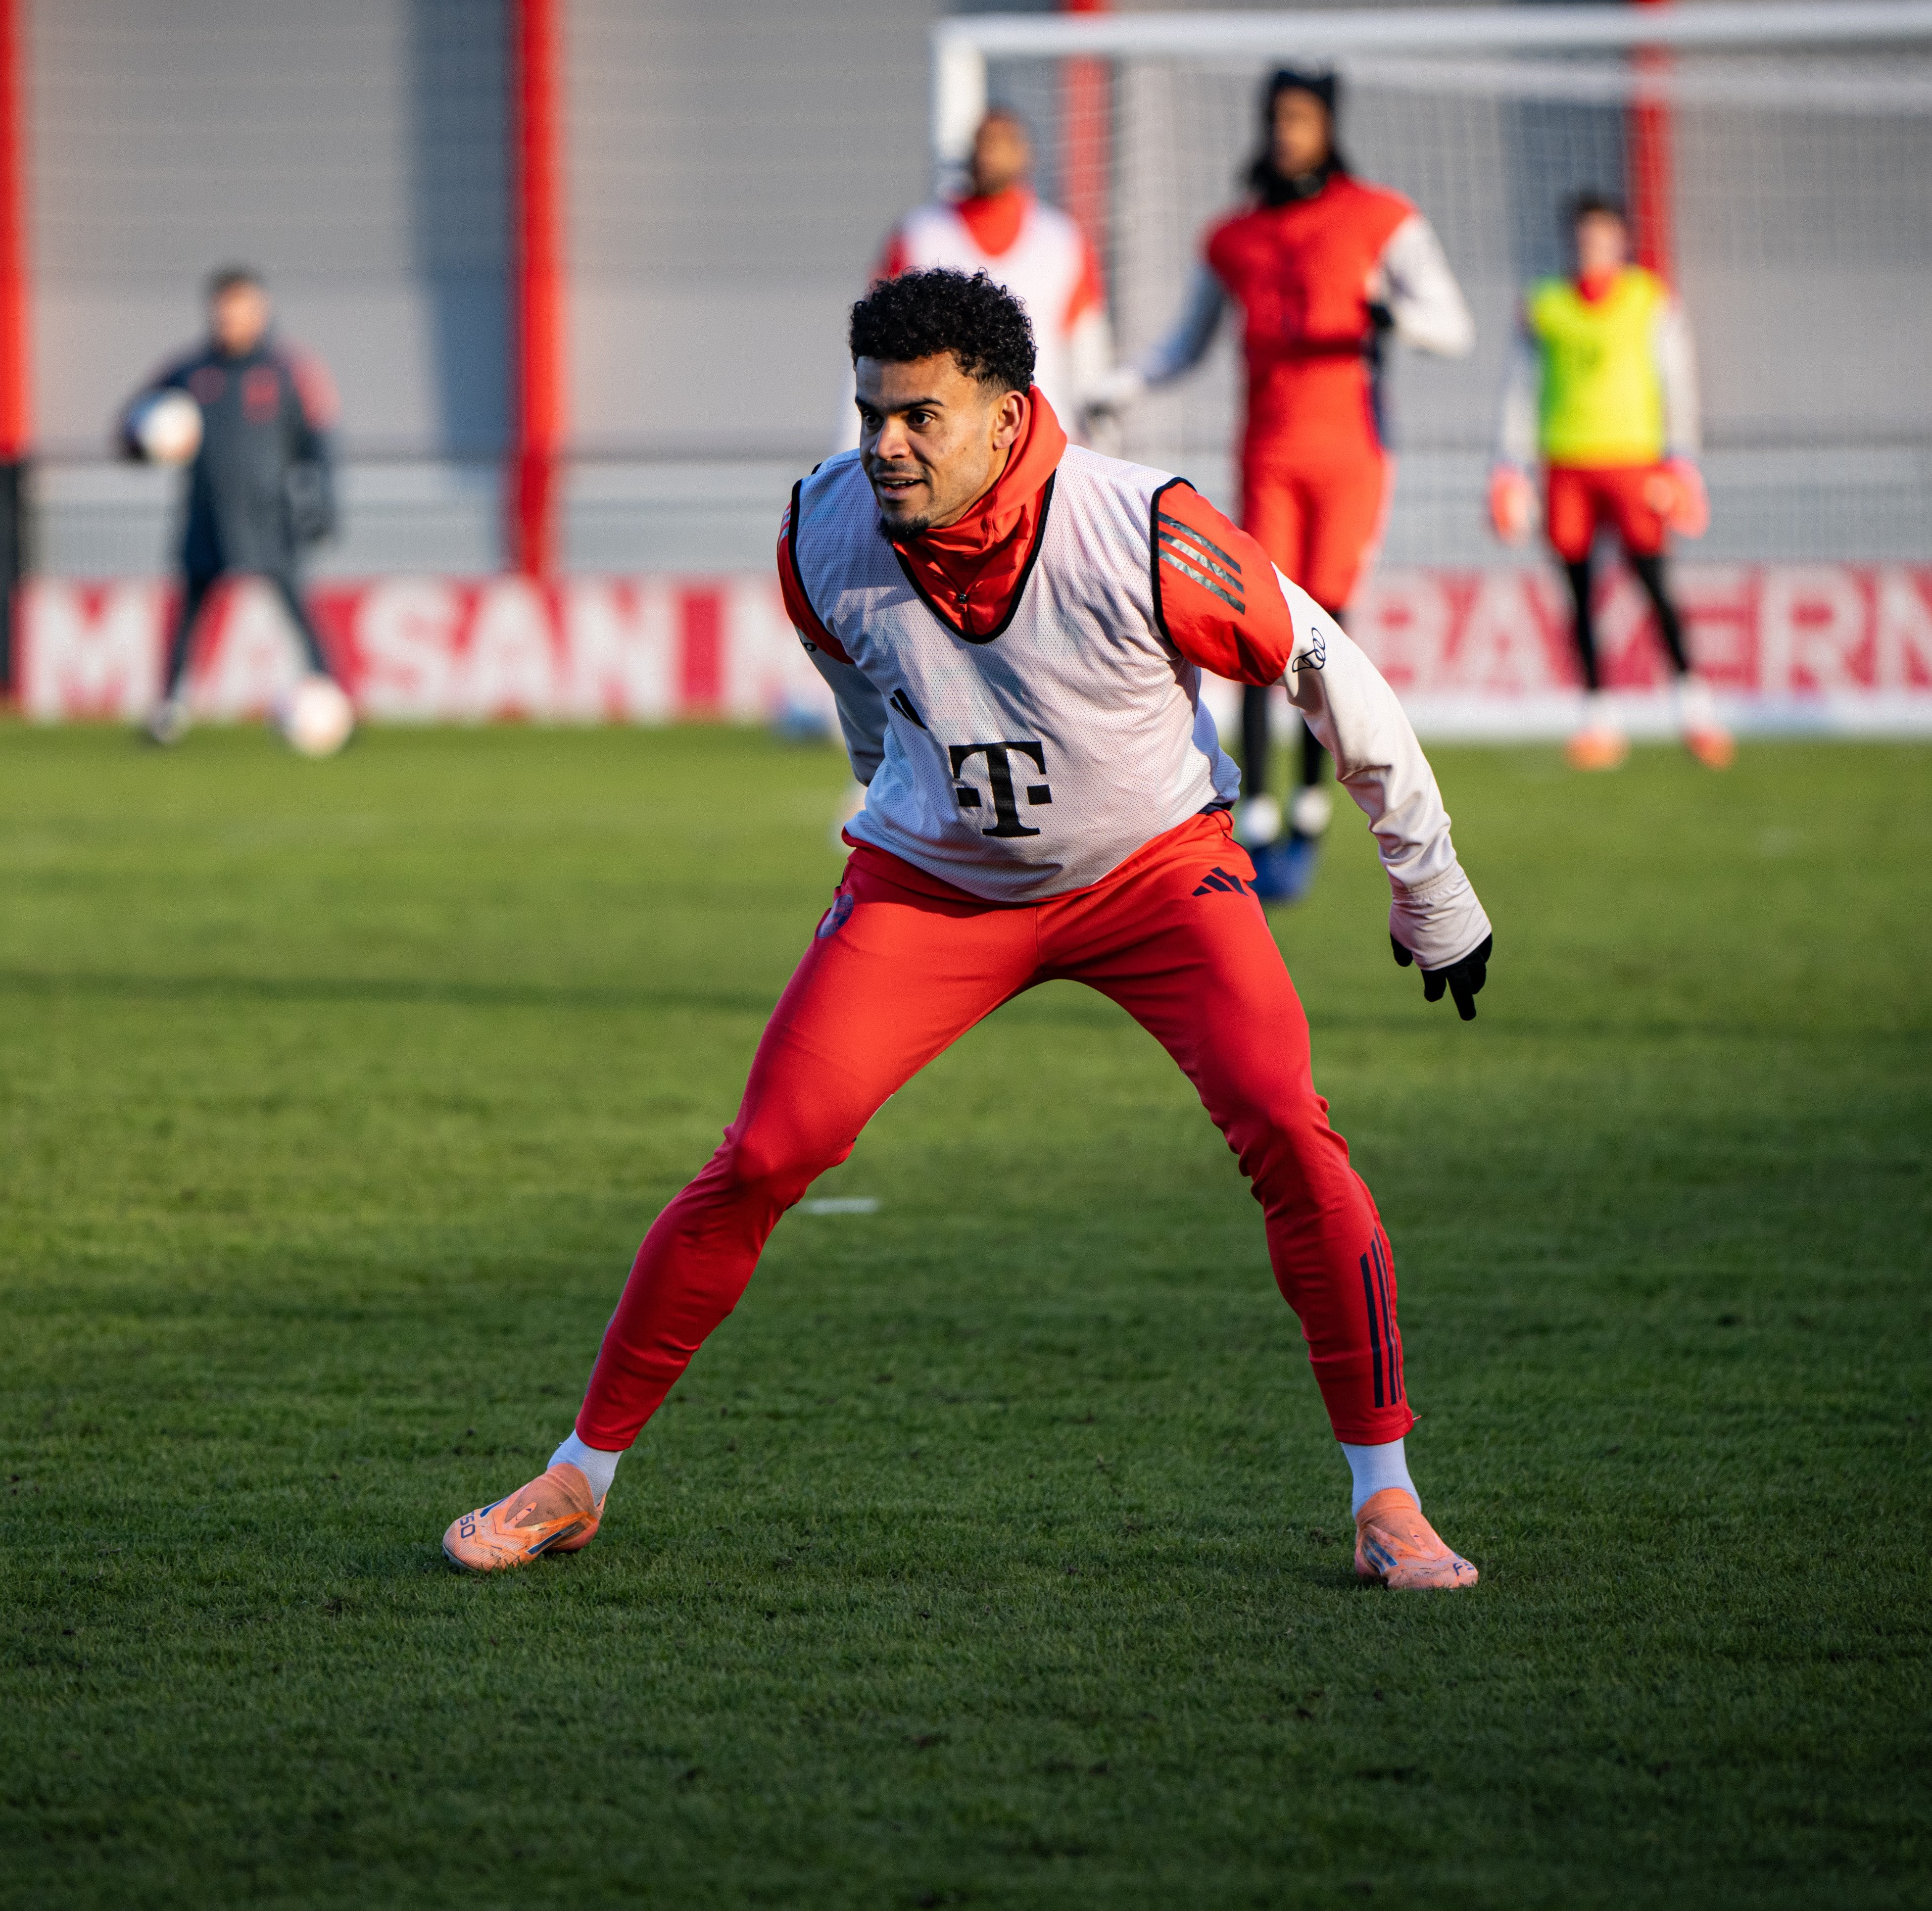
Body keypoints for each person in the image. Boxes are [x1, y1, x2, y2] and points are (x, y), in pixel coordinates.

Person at [444, 270, 1493, 1591]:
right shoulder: (821, 523)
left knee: (1287, 1124)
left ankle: (1386, 1497)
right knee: (766, 1153)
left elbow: (1327, 666)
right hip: (933, 887)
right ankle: (578, 1475)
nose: (885, 445)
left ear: (1006, 418)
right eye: (871, 414)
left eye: (919, 418)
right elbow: (858, 687)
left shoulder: (1143, 524)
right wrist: (897, 790)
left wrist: (1431, 887)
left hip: (1155, 876)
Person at [1098, 68, 1474, 898]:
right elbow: (1186, 344)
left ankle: (1308, 805)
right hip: (1267, 454)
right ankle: (1261, 811)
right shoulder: (1235, 236)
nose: (1286, 133)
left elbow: (1454, 326)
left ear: (1328, 126)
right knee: (1261, 623)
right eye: (1277, 118)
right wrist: (1123, 384)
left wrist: (1390, 315)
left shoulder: (1381, 218)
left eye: (1301, 118)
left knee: (1325, 626)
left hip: (1352, 455)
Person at [1487, 191, 1733, 771]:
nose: (1591, 248)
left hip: (1634, 462)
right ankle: (1598, 718)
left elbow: (1677, 381)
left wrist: (1681, 460)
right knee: (1577, 593)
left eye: (1601, 237)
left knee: (1653, 582)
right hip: (1566, 463)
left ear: (1622, 241)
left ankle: (1694, 707)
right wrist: (1508, 465)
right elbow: (1519, 387)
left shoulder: (1650, 300)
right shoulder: (1545, 305)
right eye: (1583, 237)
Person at [123, 267, 340, 746]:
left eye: (241, 311)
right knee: (189, 616)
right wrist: (143, 441)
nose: (231, 321)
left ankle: (332, 703)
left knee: (299, 613)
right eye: (224, 312)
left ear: (260, 312)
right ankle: (169, 711)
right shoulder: (189, 372)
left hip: (271, 517)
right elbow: (132, 426)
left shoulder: (288, 371)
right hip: (206, 515)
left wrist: (324, 503)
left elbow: (320, 442)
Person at [836, 106, 1114, 449]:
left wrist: (1100, 442)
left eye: (1001, 143)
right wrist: (851, 448)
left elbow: (1087, 351)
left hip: (1040, 439)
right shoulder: (920, 235)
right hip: (942, 444)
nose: (989, 155)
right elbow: (874, 347)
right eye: (982, 143)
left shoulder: (1062, 240)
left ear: (1025, 154)